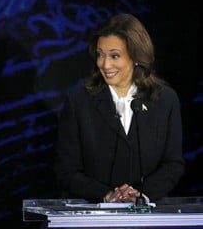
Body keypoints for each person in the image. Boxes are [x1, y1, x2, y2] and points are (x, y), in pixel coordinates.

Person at [54, 13, 184, 204]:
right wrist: (107, 195)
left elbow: (173, 164)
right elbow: (66, 170)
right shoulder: (79, 102)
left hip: (147, 218)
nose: (105, 64)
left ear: (136, 56)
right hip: (92, 216)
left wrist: (140, 195)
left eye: (114, 55)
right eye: (100, 54)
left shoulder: (165, 100)